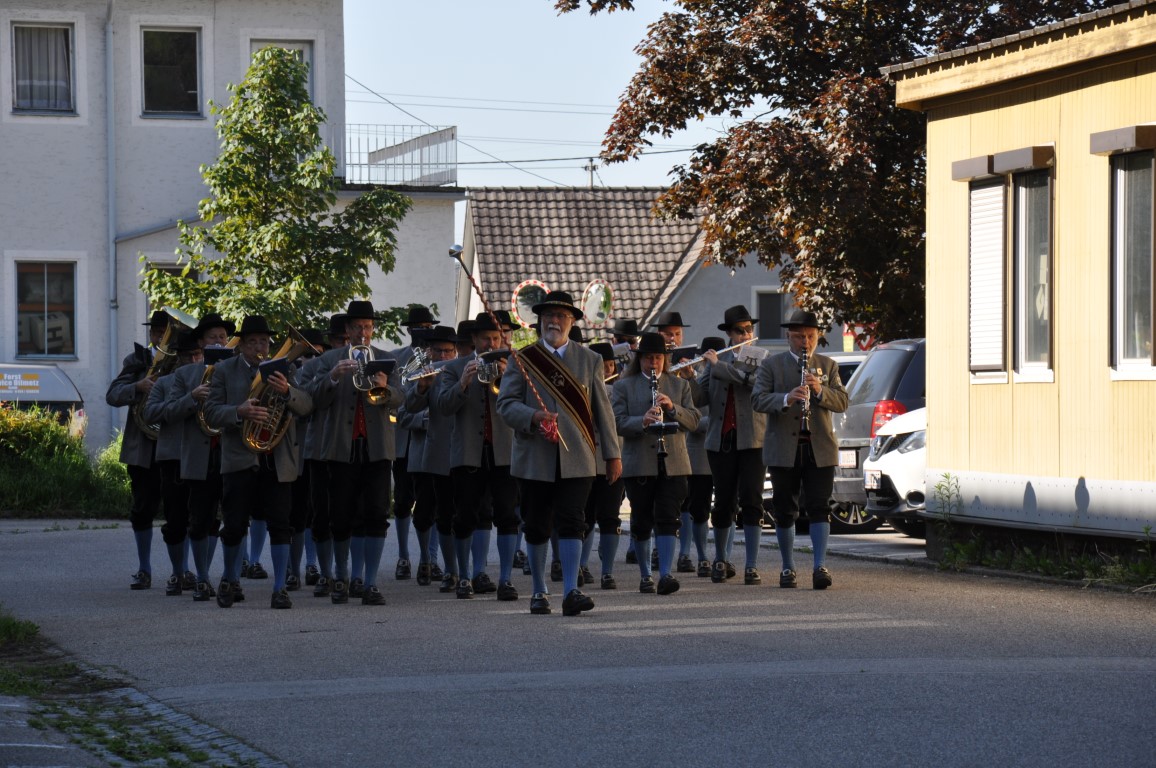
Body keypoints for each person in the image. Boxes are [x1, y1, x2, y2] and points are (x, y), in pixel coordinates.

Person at [496, 291, 621, 617]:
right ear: (540, 321)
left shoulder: (590, 360)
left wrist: (612, 454)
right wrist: (533, 417)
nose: (554, 321)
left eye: (561, 316)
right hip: (534, 458)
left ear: (572, 321)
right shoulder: (523, 358)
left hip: (578, 457)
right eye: (549, 316)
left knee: (573, 522)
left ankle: (570, 591)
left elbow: (603, 411)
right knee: (536, 525)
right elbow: (505, 405)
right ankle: (539, 590)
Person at [203, 315, 313, 609]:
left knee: (281, 524)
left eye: (263, 342)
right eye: (251, 342)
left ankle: (279, 588)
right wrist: (238, 412)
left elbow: (306, 406)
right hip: (240, 458)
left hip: (277, 459)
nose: (258, 347)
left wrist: (287, 392)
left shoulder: (285, 369)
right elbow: (211, 412)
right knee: (234, 524)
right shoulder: (224, 370)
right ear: (241, 346)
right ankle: (229, 579)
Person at [305, 301, 403, 606]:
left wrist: (386, 387)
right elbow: (312, 400)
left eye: (368, 326)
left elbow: (402, 399)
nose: (363, 332)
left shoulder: (386, 359)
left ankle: (369, 582)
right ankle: (341, 576)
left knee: (376, 514)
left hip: (377, 448)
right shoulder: (328, 360)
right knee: (340, 515)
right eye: (357, 326)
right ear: (347, 330)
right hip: (341, 448)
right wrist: (333, 377)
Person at [751, 309, 848, 590]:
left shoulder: (828, 366)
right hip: (783, 448)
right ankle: (788, 567)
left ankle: (820, 566)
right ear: (788, 337)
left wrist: (819, 391)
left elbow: (842, 402)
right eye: (798, 337)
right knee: (784, 508)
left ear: (817, 336)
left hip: (819, 448)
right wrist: (786, 398)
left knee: (819, 506)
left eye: (810, 336)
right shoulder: (771, 365)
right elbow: (757, 400)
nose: (805, 342)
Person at [433, 312, 520, 601]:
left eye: (496, 338)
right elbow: (444, 406)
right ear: (474, 339)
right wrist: (463, 383)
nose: (491, 343)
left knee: (507, 515)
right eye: (485, 339)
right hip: (468, 453)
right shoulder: (454, 367)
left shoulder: (514, 365)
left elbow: (523, 402)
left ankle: (505, 579)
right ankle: (464, 576)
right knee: (465, 516)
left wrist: (508, 378)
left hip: (504, 452)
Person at [612, 332, 700, 595]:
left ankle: (665, 574)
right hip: (639, 462)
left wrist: (672, 408)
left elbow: (694, 421)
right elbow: (617, 422)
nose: (654, 363)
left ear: (665, 359)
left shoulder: (679, 385)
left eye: (658, 358)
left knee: (668, 518)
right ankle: (645, 575)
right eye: (648, 358)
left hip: (673, 462)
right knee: (641, 519)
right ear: (639, 360)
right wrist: (642, 420)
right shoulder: (623, 386)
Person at [165, 312, 236, 601]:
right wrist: (192, 396)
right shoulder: (185, 375)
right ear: (202, 343)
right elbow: (170, 412)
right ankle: (202, 577)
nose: (219, 341)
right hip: (200, 452)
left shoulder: (237, 369)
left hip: (231, 450)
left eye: (222, 337)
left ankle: (226, 577)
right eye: (212, 337)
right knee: (200, 517)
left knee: (230, 518)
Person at [700, 305, 768, 585]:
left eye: (749, 329)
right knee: (723, 501)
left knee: (752, 500)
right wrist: (688, 376)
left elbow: (751, 383)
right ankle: (720, 559)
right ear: (729, 333)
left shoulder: (760, 359)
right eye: (740, 331)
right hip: (721, 440)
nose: (745, 335)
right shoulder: (717, 360)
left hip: (753, 440)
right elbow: (699, 397)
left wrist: (719, 367)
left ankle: (751, 564)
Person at [105, 310, 169, 590]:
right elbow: (112, 395)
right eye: (158, 333)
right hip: (144, 449)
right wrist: (138, 386)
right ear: (151, 334)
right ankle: (144, 568)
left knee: (182, 513)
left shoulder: (183, 361)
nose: (162, 338)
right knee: (143, 509)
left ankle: (184, 571)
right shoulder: (138, 360)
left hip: (174, 445)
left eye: (167, 333)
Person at [142, 329, 203, 596]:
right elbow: (150, 412)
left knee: (203, 518)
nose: (194, 360)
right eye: (188, 356)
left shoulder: (213, 378)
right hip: (173, 456)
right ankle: (178, 572)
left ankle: (201, 575)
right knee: (175, 519)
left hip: (202, 455)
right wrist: (190, 399)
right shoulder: (165, 382)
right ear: (178, 357)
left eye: (198, 355)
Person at [390, 304, 438, 581]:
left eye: (428, 328)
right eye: (419, 328)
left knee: (431, 502)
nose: (424, 332)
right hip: (403, 440)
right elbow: (395, 398)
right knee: (402, 501)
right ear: (409, 330)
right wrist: (417, 418)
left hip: (432, 440)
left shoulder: (440, 358)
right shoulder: (396, 359)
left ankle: (430, 557)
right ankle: (403, 556)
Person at [581, 342, 626, 589]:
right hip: (586, 459)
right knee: (584, 516)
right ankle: (581, 566)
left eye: (610, 366)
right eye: (603, 366)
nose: (608, 370)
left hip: (613, 457)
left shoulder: (622, 389)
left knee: (610, 516)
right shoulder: (582, 387)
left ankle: (607, 571)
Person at [682, 336, 726, 577]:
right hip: (699, 455)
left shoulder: (729, 376)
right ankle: (701, 557)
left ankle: (723, 557)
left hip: (725, 450)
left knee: (726, 506)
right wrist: (718, 423)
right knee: (699, 508)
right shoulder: (695, 380)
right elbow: (691, 419)